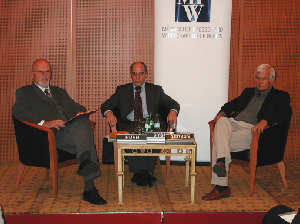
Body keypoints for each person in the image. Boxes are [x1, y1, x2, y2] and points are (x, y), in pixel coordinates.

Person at [12, 59, 107, 205]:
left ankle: (89, 182)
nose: (45, 75)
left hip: (70, 133)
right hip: (47, 136)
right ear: (33, 74)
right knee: (85, 134)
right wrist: (45, 123)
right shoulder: (25, 92)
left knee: (82, 124)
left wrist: (83, 112)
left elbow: (76, 106)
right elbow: (18, 112)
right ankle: (89, 187)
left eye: (47, 71)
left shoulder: (59, 91)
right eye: (41, 72)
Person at [202, 64, 292, 200]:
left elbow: (284, 113)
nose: (260, 82)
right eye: (258, 78)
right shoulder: (248, 92)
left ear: (272, 80)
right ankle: (221, 163)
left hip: (252, 131)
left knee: (218, 141)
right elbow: (229, 105)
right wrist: (220, 113)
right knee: (222, 121)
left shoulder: (280, 96)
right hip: (234, 124)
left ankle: (221, 186)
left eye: (264, 78)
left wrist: (266, 121)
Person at [101, 61, 180, 187]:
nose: (137, 77)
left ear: (146, 74)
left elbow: (174, 104)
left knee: (152, 131)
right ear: (130, 75)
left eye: (141, 73)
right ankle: (142, 172)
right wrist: (109, 113)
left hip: (150, 124)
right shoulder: (122, 90)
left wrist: (172, 112)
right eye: (134, 74)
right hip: (130, 124)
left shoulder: (156, 90)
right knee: (134, 132)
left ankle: (143, 172)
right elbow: (106, 105)